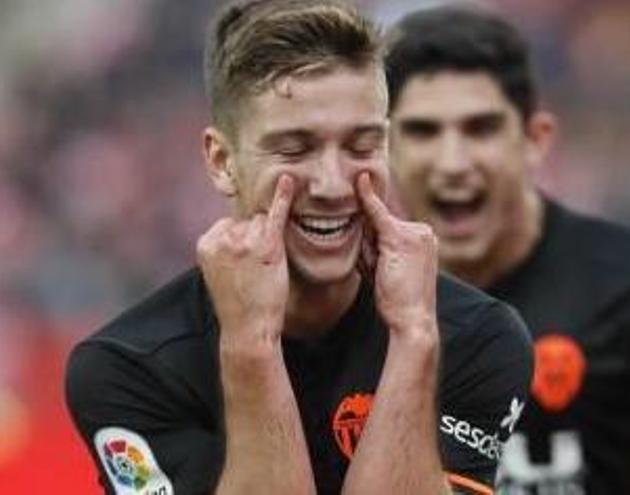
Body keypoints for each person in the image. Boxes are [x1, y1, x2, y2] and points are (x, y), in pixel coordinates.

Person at [65, 1, 533, 494]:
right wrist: (251, 346)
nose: (332, 184)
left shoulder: (478, 338)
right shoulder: (129, 368)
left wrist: (413, 340)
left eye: (361, 146)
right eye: (294, 149)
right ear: (222, 161)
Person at [385, 6, 630, 494]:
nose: (453, 162)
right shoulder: (350, 306)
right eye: (423, 131)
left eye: (480, 129)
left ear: (536, 140)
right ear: (383, 146)